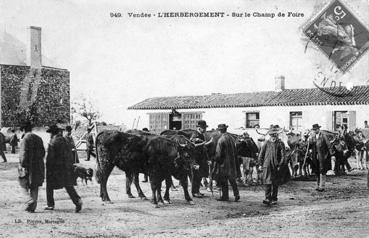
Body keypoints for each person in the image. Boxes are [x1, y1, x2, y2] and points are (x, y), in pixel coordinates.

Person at [44, 125, 82, 213]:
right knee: (68, 185)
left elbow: (50, 158)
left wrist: (48, 168)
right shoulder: (65, 140)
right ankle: (77, 201)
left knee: (49, 185)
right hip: (66, 167)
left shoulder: (52, 142)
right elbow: (70, 154)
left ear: (52, 133)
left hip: (55, 168)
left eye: (50, 133)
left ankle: (50, 204)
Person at [18, 121, 45, 213]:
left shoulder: (25, 138)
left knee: (23, 184)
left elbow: (23, 153)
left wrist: (22, 165)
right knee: (34, 186)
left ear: (24, 129)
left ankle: (29, 200)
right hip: (38, 166)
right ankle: (32, 207)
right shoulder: (39, 138)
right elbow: (43, 153)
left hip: (28, 166)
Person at [258, 125, 286, 205]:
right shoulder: (266, 143)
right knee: (267, 182)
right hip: (267, 165)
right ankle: (267, 198)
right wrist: (260, 164)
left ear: (277, 135)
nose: (273, 136)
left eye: (275, 135)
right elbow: (261, 154)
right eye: (272, 135)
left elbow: (283, 156)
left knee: (275, 183)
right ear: (270, 135)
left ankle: (274, 198)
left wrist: (280, 165)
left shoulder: (280, 143)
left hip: (276, 166)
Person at [213, 124, 240, 202]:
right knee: (232, 180)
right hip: (232, 163)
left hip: (224, 164)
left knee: (223, 180)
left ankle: (225, 196)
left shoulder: (221, 140)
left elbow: (218, 154)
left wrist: (215, 160)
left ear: (220, 131)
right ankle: (236, 194)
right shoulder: (231, 138)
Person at [309, 124, 333, 192]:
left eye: (316, 129)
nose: (315, 130)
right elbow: (310, 146)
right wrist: (309, 140)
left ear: (319, 129)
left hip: (322, 155)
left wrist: (331, 154)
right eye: (314, 130)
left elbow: (329, 145)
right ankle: (317, 184)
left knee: (322, 170)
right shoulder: (313, 137)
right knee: (316, 170)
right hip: (315, 156)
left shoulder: (323, 136)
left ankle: (322, 186)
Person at [190, 120, 211, 197]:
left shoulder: (202, 135)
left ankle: (197, 191)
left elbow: (204, 148)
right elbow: (192, 144)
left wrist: (207, 159)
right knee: (195, 176)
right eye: (203, 128)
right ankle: (194, 192)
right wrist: (202, 143)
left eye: (205, 128)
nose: (204, 129)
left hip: (201, 158)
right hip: (196, 158)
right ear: (199, 128)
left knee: (199, 176)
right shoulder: (195, 134)